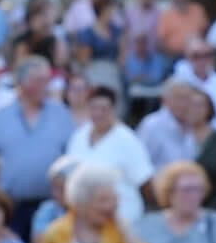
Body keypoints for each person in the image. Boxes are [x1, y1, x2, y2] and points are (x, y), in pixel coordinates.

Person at [0, 57, 75, 243]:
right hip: (12, 205)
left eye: (46, 81)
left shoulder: (62, 115)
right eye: (37, 81)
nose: (44, 87)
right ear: (20, 83)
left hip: (52, 206)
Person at [64, 85, 154, 226]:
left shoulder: (128, 140)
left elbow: (145, 182)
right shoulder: (79, 136)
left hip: (123, 219)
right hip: (86, 220)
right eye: (93, 108)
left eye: (104, 109)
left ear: (113, 110)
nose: (98, 113)